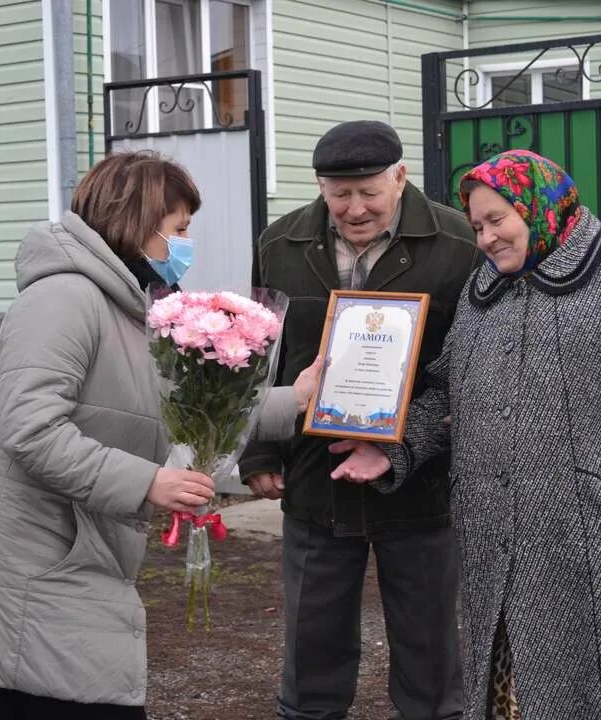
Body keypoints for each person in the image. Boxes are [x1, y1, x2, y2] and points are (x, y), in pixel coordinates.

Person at [0, 152, 321, 720]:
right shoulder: (62, 298)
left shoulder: (121, 303)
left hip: (68, 552)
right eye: (178, 229)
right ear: (139, 220)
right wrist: (148, 481)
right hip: (30, 560)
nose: (184, 245)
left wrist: (295, 401)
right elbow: (30, 430)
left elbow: (164, 412)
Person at [329, 149, 601, 720]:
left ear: (538, 207)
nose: (486, 239)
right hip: (503, 536)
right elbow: (445, 391)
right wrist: (392, 447)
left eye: (497, 221)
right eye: (478, 226)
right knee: (520, 692)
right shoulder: (483, 287)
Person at [238, 120, 480, 720]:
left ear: (401, 177)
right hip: (314, 479)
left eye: (368, 191)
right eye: (337, 192)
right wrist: (260, 450)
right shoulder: (280, 244)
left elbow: (472, 372)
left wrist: (421, 447)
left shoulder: (458, 245)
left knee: (430, 659)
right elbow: (259, 355)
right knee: (311, 650)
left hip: (420, 483)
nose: (353, 208)